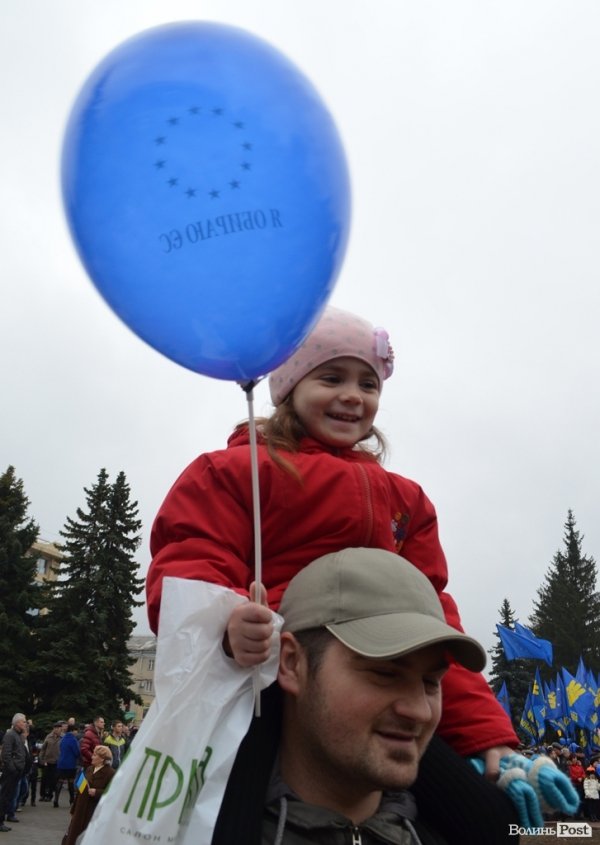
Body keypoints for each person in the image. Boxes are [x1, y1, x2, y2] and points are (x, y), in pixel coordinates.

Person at [147, 306, 517, 776]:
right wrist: (226, 622)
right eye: (331, 378)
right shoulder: (235, 472)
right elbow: (191, 560)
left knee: (485, 817)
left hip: (381, 690)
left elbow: (434, 622)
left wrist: (489, 737)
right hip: (261, 688)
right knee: (230, 814)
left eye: (368, 384)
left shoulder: (408, 501)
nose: (352, 396)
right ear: (290, 387)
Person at [212, 548, 518, 845]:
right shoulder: (188, 827)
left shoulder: (477, 828)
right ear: (292, 663)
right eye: (384, 674)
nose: (420, 712)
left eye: (431, 682)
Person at [63, 745, 115, 845]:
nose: (92, 757)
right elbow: (80, 790)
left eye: (95, 755)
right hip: (80, 809)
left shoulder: (110, 773)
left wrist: (97, 792)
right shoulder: (89, 769)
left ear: (102, 759)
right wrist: (73, 810)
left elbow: (112, 794)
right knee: (73, 836)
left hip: (93, 811)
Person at [0, 713, 28, 832]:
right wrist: (13, 768)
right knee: (4, 796)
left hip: (16, 772)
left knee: (9, 796)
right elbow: (6, 755)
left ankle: (3, 819)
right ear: (17, 723)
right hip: (11, 772)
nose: (25, 723)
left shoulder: (17, 735)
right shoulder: (10, 735)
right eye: (24, 721)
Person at [55, 723, 81, 807]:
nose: (77, 732)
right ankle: (71, 800)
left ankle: (56, 800)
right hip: (70, 764)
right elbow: (76, 752)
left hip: (61, 763)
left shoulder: (62, 739)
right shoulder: (73, 740)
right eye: (76, 731)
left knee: (60, 781)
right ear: (73, 731)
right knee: (70, 782)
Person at [38, 721, 64, 801]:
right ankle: (42, 795)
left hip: (57, 761)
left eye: (60, 729)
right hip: (47, 761)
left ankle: (49, 795)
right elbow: (43, 749)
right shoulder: (48, 737)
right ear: (54, 729)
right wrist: (42, 759)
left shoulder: (63, 737)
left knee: (53, 780)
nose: (59, 730)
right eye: (57, 728)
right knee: (44, 779)